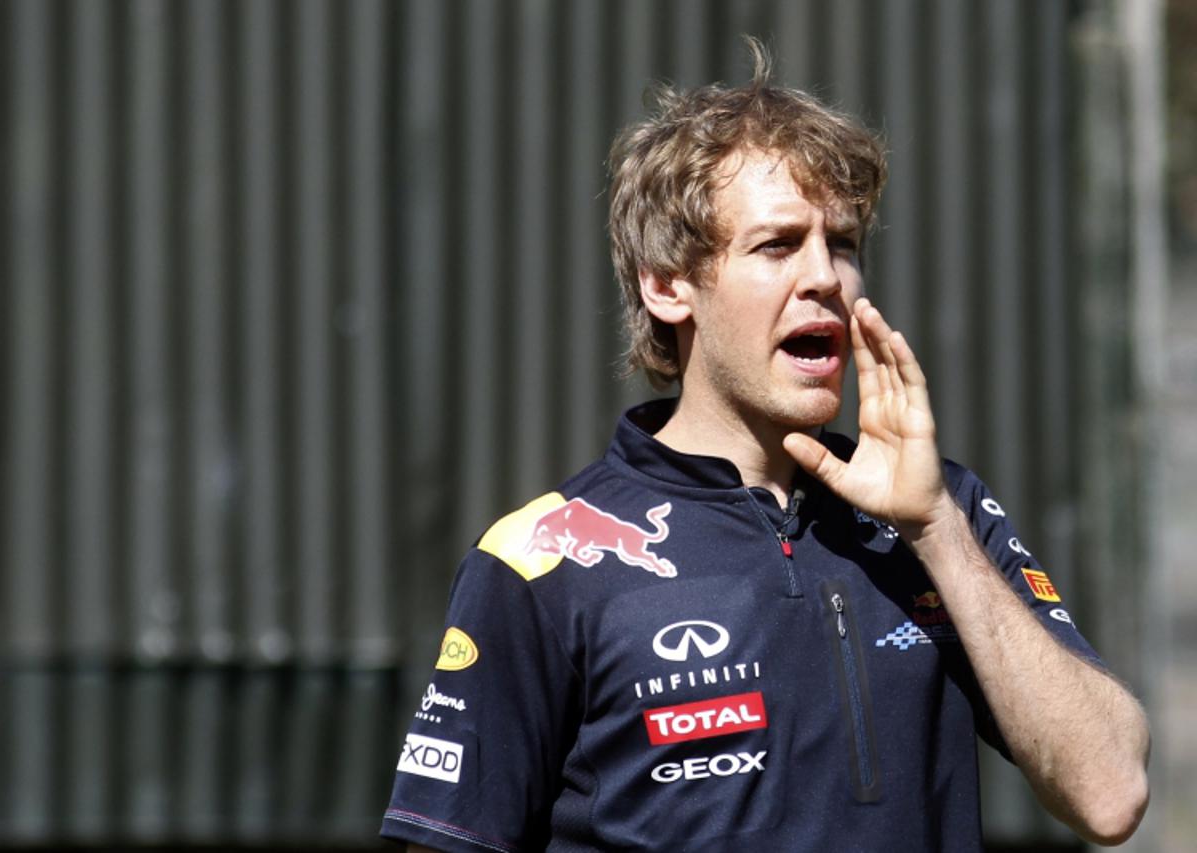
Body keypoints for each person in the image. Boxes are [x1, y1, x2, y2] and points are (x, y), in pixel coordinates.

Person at [380, 41, 1149, 852]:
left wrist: (936, 531)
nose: (826, 277)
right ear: (667, 283)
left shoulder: (942, 514)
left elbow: (1111, 794)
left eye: (843, 243)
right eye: (778, 245)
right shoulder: (540, 560)